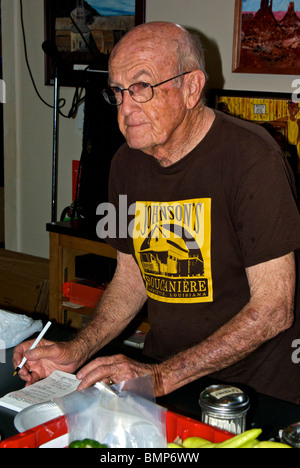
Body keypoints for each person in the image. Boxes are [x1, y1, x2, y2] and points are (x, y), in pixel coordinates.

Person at [14, 22, 300, 404]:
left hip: (255, 391)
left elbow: (273, 310)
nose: (126, 107)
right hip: (164, 373)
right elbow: (131, 279)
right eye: (117, 90)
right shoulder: (126, 163)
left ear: (192, 88)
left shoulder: (252, 159)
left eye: (142, 87)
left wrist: (162, 377)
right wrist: (78, 349)